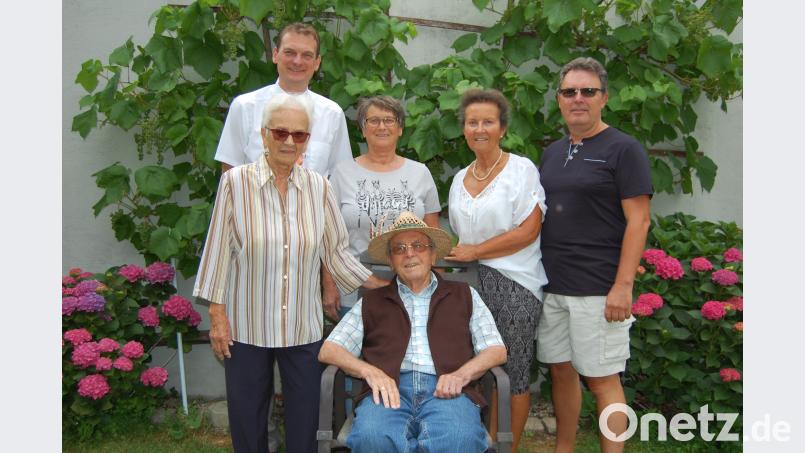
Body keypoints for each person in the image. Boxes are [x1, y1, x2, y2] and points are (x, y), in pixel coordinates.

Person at [193, 93, 387, 453]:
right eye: (280, 132)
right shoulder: (235, 183)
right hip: (246, 325)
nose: (288, 141)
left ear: (308, 141)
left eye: (299, 135)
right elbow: (218, 250)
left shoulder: (319, 187)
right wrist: (217, 315)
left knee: (308, 419)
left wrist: (384, 287)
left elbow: (336, 252)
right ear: (264, 134)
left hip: (303, 325)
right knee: (248, 417)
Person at [537, 57, 652, 453]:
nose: (578, 99)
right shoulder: (552, 153)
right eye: (570, 92)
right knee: (561, 373)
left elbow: (639, 222)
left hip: (599, 289)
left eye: (588, 91)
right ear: (559, 99)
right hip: (553, 285)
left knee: (603, 380)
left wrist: (623, 285)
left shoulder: (624, 149)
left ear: (604, 98)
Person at [318, 212, 507, 452]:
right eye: (399, 248)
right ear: (391, 260)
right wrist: (369, 371)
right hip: (388, 392)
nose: (409, 253)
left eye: (418, 245)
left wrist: (461, 375)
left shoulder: (464, 295)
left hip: (448, 391)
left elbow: (496, 350)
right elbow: (329, 350)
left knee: (460, 439)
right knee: (372, 438)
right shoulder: (372, 302)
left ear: (432, 254)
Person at [445, 88, 548, 451]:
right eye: (472, 122)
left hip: (514, 282)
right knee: (472, 365)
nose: (480, 128)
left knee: (513, 371)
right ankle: (475, 441)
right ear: (465, 130)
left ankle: (506, 447)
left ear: (502, 128)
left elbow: (528, 230)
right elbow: (460, 236)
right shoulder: (459, 178)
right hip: (469, 284)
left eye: (488, 121)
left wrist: (477, 251)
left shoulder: (521, 169)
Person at [330, 95, 441, 317]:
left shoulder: (420, 173)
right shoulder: (342, 173)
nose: (382, 126)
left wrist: (435, 288)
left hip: (412, 286)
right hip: (354, 288)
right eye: (373, 120)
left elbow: (433, 236)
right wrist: (329, 285)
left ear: (400, 129)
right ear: (362, 129)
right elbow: (329, 239)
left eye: (389, 120)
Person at [214, 22, 352, 177]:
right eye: (290, 52)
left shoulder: (332, 114)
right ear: (275, 55)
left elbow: (341, 176)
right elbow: (229, 173)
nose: (297, 61)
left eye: (307, 55)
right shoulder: (245, 107)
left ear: (317, 63)